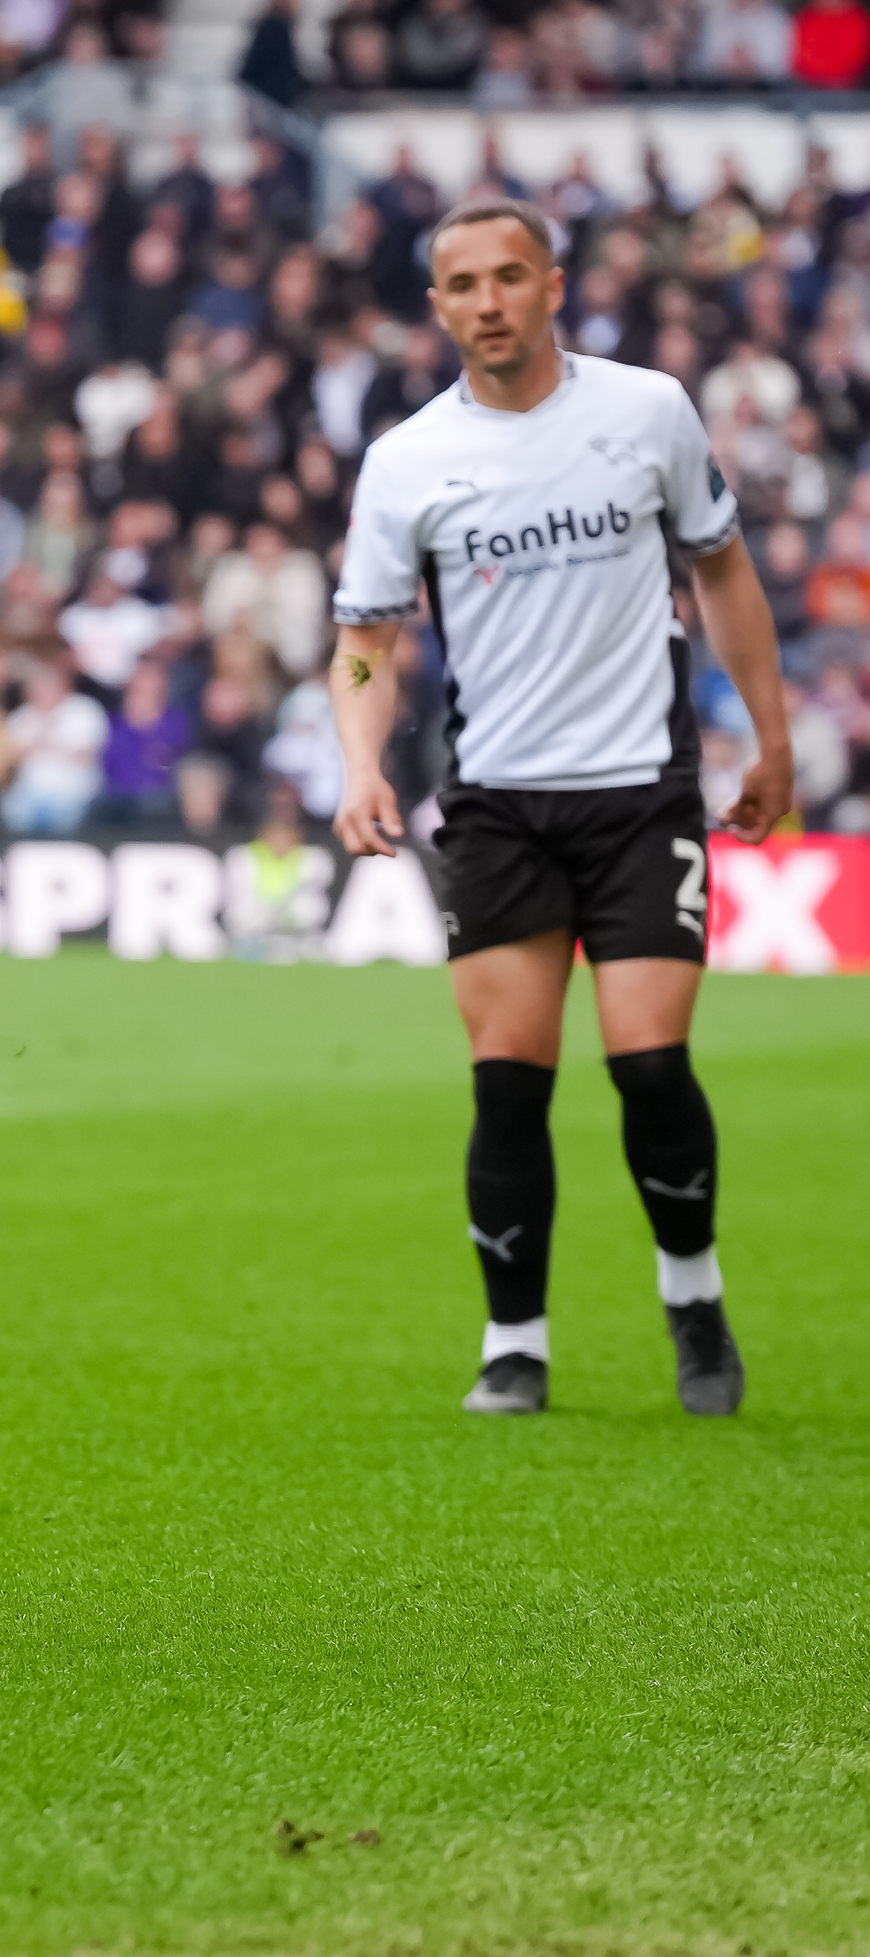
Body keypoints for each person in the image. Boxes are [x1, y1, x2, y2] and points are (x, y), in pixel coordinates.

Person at [329, 196, 795, 1420]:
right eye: (462, 284)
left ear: (553, 285)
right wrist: (361, 761)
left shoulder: (646, 411)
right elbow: (367, 638)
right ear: (436, 306)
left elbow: (724, 571)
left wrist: (773, 735)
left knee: (648, 1065)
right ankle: (513, 1343)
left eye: (510, 277)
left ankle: (692, 1296)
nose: (488, 301)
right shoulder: (407, 461)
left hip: (641, 793)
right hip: (496, 808)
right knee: (509, 1083)